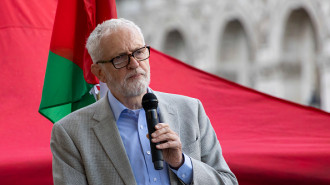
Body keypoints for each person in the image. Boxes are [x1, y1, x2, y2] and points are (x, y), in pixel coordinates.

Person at [50, 18, 238, 185]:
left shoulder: (191, 111)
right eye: (120, 58)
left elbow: (228, 181)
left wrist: (182, 163)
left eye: (139, 52)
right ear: (100, 72)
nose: (134, 64)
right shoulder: (70, 133)